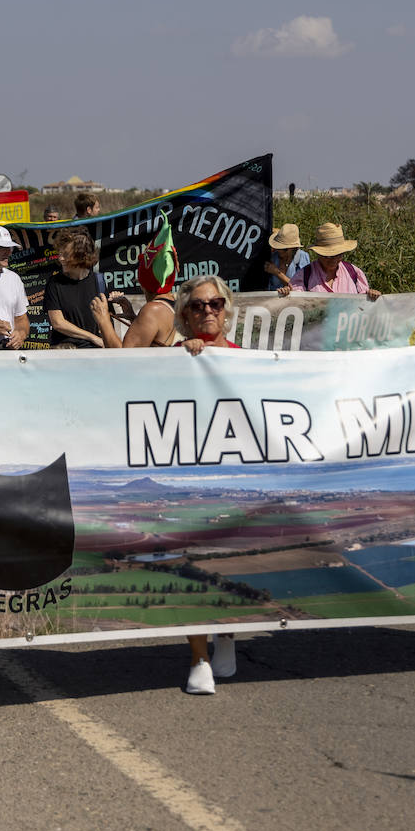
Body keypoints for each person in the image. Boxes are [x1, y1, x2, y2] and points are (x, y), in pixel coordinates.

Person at [171, 274, 241, 694]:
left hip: (234, 481)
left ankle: (228, 638)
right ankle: (199, 657)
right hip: (186, 481)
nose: (208, 311)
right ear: (185, 315)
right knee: (192, 568)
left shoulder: (244, 357)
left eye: (215, 304)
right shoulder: (174, 356)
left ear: (226, 311)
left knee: (230, 564)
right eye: (198, 306)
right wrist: (185, 358)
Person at [43, 227, 108, 348]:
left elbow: (106, 319)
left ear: (82, 255)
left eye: (66, 255)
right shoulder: (54, 283)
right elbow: (58, 323)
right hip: (66, 351)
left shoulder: (98, 281)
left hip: (96, 352)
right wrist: (92, 337)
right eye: (60, 254)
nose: (61, 258)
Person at [279, 222, 381, 300]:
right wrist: (288, 293)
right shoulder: (305, 275)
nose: (334, 260)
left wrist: (371, 295)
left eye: (338, 255)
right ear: (318, 254)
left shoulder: (353, 272)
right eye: (328, 256)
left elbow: (364, 303)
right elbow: (295, 301)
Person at [264, 223, 310, 291]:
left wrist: (277, 273)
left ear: (293, 247)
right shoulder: (273, 257)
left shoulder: (302, 258)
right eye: (278, 247)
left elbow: (301, 287)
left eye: (284, 249)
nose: (280, 251)